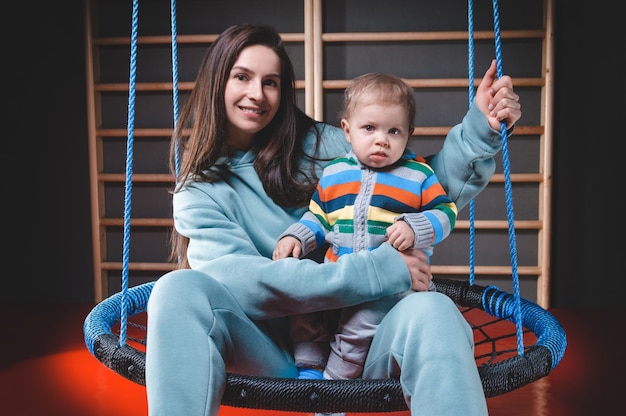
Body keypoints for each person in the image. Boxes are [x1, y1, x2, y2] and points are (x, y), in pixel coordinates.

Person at [145, 23, 521, 416]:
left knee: (435, 310)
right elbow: (244, 284)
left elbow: (418, 186)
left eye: (271, 82)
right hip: (272, 352)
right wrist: (379, 270)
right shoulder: (198, 190)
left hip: (366, 339)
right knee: (175, 289)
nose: (257, 94)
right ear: (216, 81)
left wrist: (482, 127)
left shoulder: (326, 147)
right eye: (242, 77)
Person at [273, 72, 457, 386]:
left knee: (359, 328)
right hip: (338, 275)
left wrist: (416, 227)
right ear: (347, 130)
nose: (381, 139)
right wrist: (297, 237)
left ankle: (334, 385)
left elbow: (445, 212)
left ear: (408, 134)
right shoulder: (334, 173)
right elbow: (318, 217)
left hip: (389, 288)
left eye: (394, 131)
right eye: (369, 128)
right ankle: (309, 367)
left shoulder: (418, 174)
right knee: (304, 306)